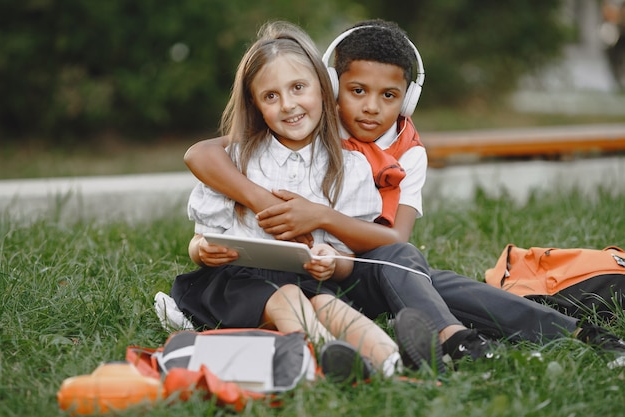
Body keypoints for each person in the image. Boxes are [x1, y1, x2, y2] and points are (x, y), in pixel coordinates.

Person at [182, 20, 625, 368]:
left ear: (406, 99)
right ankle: (431, 341)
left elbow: (395, 241)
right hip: (317, 270)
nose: (369, 107)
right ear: (333, 89)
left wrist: (317, 216)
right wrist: (262, 203)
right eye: (356, 92)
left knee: (418, 271)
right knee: (418, 276)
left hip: (362, 259)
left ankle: (557, 333)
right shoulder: (307, 123)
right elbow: (203, 153)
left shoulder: (402, 155)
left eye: (387, 96)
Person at [166, 20, 440, 382]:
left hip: (311, 281)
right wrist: (203, 251)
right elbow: (201, 242)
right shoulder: (237, 160)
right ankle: (322, 354)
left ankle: (394, 362)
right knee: (290, 297)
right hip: (236, 283)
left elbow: (344, 259)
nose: (288, 105)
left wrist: (331, 263)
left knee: (328, 303)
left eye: (298, 88)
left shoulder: (351, 168)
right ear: (256, 105)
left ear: (324, 89)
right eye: (271, 96)